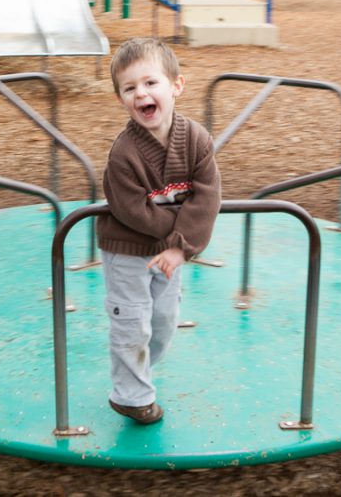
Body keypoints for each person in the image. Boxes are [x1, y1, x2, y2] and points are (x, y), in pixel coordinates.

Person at [97, 38, 222, 424]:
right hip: (128, 249)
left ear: (176, 86)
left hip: (172, 251)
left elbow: (207, 197)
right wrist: (176, 239)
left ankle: (136, 372)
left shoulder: (197, 140)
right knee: (132, 319)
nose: (142, 94)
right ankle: (131, 395)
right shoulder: (124, 154)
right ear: (121, 99)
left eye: (150, 83)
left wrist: (181, 247)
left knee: (164, 321)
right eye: (130, 88)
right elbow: (132, 210)